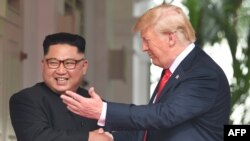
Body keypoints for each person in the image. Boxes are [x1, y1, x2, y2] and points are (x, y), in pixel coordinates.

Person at [61, 4, 231, 141]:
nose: (143, 48)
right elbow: (150, 129)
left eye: (147, 40)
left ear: (171, 38)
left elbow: (164, 116)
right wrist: (110, 137)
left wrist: (103, 110)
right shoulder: (174, 71)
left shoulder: (204, 73)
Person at [9, 32, 112, 141]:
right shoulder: (25, 100)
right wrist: (90, 138)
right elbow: (37, 138)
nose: (61, 71)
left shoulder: (96, 103)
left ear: (84, 67)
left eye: (69, 63)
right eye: (53, 62)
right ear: (43, 65)